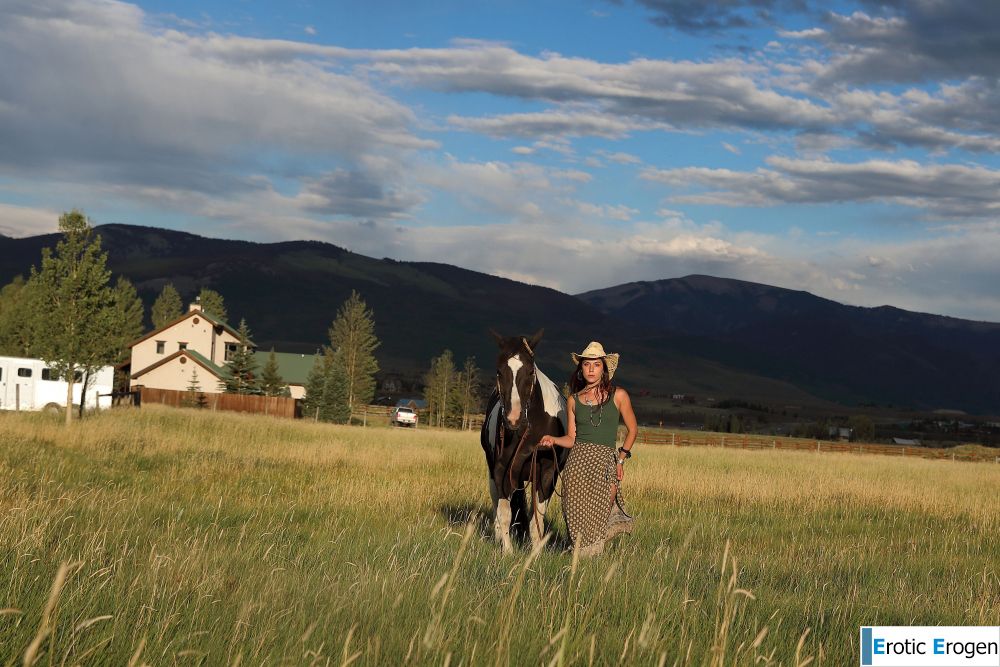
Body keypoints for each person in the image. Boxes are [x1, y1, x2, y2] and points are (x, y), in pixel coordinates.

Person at [539, 341, 638, 557]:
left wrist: (620, 459)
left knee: (598, 513)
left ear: (604, 369)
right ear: (581, 370)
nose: (591, 369)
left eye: (596, 365)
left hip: (604, 461)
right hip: (577, 463)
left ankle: (591, 557)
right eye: (586, 365)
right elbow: (572, 438)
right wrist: (554, 440)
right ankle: (577, 558)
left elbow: (632, 430)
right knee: (573, 512)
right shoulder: (573, 400)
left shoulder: (619, 395)